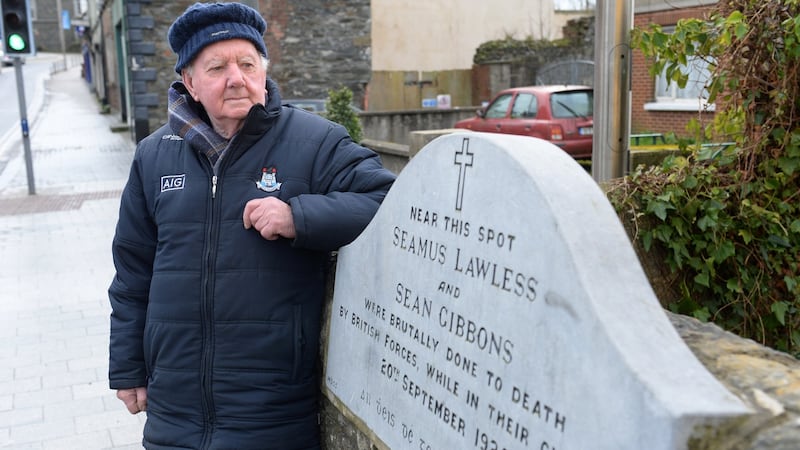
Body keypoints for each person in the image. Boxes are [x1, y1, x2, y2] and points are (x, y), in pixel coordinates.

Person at [107, 2, 396, 449]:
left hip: (271, 410)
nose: (236, 77)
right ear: (189, 82)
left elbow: (388, 203)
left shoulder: (315, 141)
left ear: (263, 70)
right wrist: (127, 367)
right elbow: (132, 272)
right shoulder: (153, 155)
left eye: (247, 63)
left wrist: (298, 216)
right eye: (217, 67)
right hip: (174, 410)